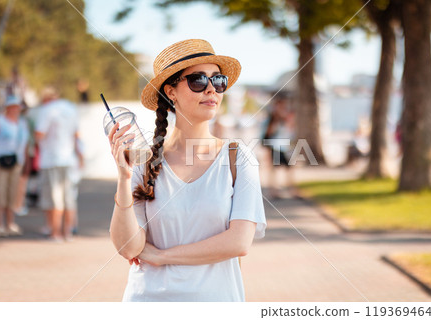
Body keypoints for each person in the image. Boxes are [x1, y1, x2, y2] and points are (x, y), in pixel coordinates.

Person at [108, 39, 266, 302]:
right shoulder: (144, 160)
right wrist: (124, 181)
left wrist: (162, 255)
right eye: (198, 81)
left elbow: (239, 243)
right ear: (171, 92)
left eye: (218, 81)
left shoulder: (238, 158)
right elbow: (129, 247)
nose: (211, 90)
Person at [34, 86, 83, 242]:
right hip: (68, 159)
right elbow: (76, 135)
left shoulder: (47, 110)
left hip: (51, 159)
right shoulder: (70, 108)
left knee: (54, 198)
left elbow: (39, 134)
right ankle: (67, 233)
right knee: (68, 198)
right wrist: (80, 155)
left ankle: (55, 233)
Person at [0, 96, 29, 237]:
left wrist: (26, 160)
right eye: (13, 106)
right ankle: (0, 224)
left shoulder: (22, 123)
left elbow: (25, 144)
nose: (15, 109)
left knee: (13, 192)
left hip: (16, 162)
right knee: (0, 192)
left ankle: (10, 222)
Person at [262, 97, 297, 198]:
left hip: (285, 147)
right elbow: (268, 133)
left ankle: (291, 189)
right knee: (274, 169)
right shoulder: (273, 119)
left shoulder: (285, 118)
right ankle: (273, 191)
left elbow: (290, 130)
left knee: (289, 168)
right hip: (275, 146)